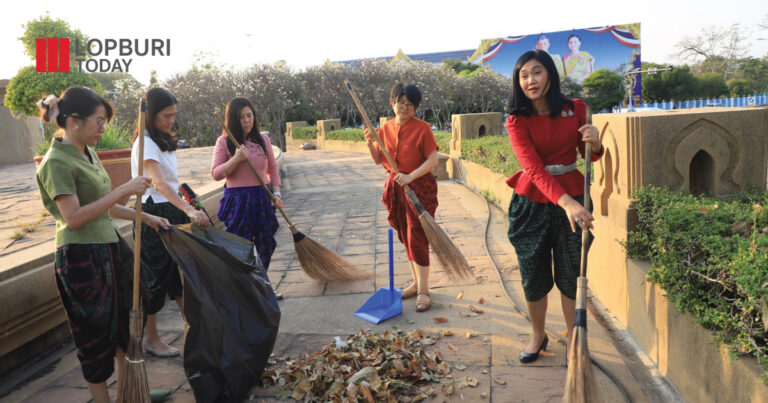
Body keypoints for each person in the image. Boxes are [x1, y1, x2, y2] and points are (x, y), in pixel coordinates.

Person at [35, 87, 170, 403]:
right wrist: (124, 188)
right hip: (81, 256)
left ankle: (132, 394)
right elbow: (75, 218)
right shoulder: (55, 162)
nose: (103, 129)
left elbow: (104, 208)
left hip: (110, 247)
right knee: (94, 335)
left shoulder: (87, 152)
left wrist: (145, 217)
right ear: (74, 120)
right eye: (99, 121)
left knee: (126, 326)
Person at [504, 50, 603, 363]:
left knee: (572, 272)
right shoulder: (516, 120)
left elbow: (589, 154)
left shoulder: (576, 109)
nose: (530, 80)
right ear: (518, 82)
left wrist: (596, 143)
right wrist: (567, 203)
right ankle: (538, 334)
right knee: (533, 275)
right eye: (524, 75)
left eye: (537, 72)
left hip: (573, 198)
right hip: (532, 203)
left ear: (550, 74)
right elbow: (533, 169)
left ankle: (575, 338)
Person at [131, 87, 209, 358]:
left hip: (171, 210)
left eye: (174, 115)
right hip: (153, 212)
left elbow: (172, 183)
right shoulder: (145, 143)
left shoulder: (161, 140)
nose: (171, 120)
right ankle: (151, 339)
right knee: (155, 278)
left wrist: (187, 202)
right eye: (166, 115)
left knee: (180, 275)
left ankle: (195, 329)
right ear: (150, 115)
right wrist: (187, 209)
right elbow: (160, 184)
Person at [363, 83, 439, 312]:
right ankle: (416, 284)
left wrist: (410, 176)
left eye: (410, 104)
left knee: (417, 236)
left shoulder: (423, 128)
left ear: (415, 107)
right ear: (392, 103)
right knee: (405, 236)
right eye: (401, 103)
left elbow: (433, 160)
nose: (404, 107)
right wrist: (369, 142)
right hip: (397, 187)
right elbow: (378, 159)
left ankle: (424, 290)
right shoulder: (384, 129)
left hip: (420, 188)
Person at [211, 97, 282, 276]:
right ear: (233, 119)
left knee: (266, 243)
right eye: (242, 117)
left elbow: (272, 168)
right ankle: (246, 285)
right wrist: (236, 159)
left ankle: (262, 281)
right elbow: (216, 174)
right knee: (240, 246)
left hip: (262, 196)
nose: (247, 120)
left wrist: (277, 193)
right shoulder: (224, 142)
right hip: (238, 200)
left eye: (249, 115)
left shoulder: (263, 139)